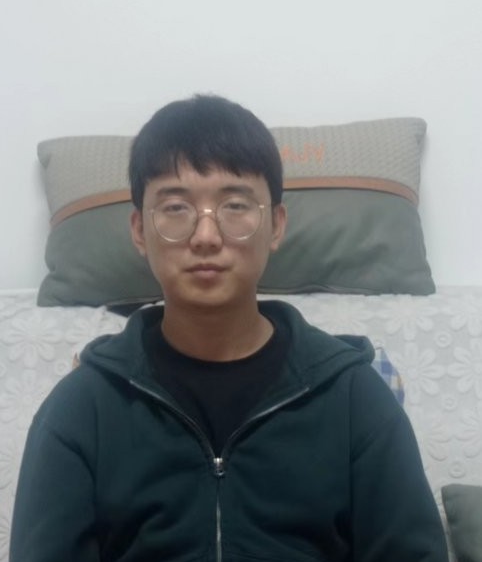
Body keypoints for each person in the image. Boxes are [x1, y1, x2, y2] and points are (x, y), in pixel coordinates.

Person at [10, 95, 449, 562]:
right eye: (175, 207)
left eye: (235, 204)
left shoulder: (354, 397)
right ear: (139, 230)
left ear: (276, 225)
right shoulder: (82, 408)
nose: (206, 236)